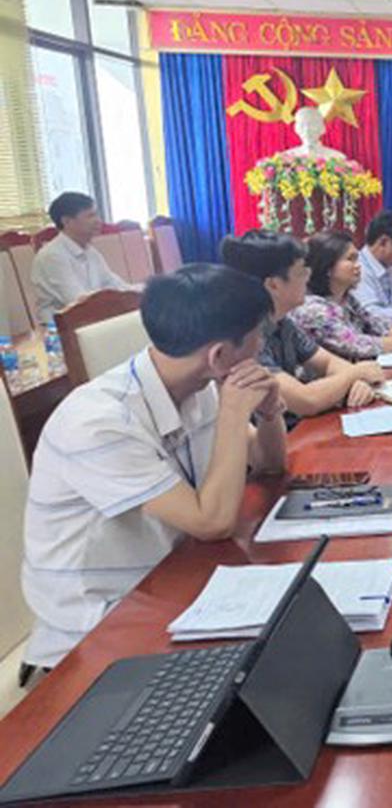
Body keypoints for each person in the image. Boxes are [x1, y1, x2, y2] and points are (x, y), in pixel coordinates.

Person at [20, 263, 287, 671]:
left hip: (177, 577)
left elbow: (269, 465)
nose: (261, 346)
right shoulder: (98, 423)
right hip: (101, 623)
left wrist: (268, 414)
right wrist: (235, 414)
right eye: (257, 336)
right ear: (218, 355)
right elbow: (212, 522)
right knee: (274, 667)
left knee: (293, 626)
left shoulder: (199, 385)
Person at [220, 230, 381, 418]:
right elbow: (306, 401)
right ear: (273, 285)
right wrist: (355, 374)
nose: (308, 277)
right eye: (301, 272)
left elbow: (327, 362)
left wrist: (355, 381)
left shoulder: (283, 322)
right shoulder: (245, 338)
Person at [292, 230, 392, 361]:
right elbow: (357, 345)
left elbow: (378, 325)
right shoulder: (313, 310)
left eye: (357, 259)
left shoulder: (347, 299)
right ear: (328, 267)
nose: (358, 265)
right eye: (350, 259)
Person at [29, 191, 132, 322]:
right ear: (66, 221)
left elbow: (114, 284)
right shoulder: (52, 256)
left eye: (96, 214)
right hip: (59, 327)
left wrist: (141, 294)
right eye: (90, 216)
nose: (98, 221)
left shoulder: (91, 252)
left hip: (91, 320)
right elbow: (77, 302)